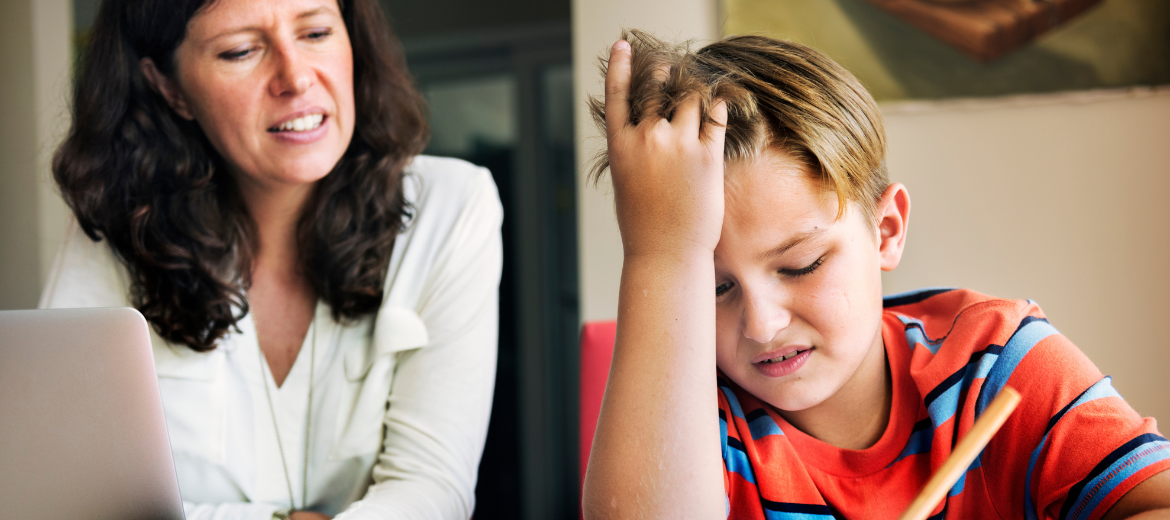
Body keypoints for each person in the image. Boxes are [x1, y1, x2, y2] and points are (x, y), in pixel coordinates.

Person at [582, 31, 1170, 519]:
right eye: (712, 287)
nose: (762, 325)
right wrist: (659, 256)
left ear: (886, 231)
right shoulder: (696, 416)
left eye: (801, 264)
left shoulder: (992, 362)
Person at [40, 0, 501, 519]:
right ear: (169, 88)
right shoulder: (114, 231)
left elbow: (433, 488)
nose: (297, 77)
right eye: (240, 50)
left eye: (317, 32)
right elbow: (76, 495)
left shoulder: (454, 207)